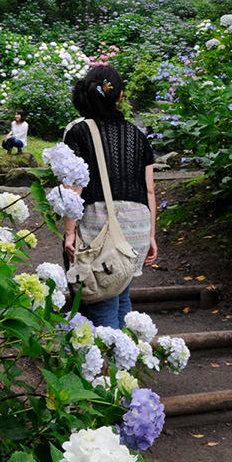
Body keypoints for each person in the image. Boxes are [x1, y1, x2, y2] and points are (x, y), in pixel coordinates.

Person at [61, 66, 158, 328]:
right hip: (137, 226)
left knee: (102, 302)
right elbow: (149, 189)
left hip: (100, 224)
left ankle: (107, 366)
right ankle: (126, 363)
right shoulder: (139, 136)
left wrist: (69, 233)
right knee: (120, 290)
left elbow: (74, 188)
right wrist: (150, 236)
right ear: (120, 96)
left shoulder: (79, 132)